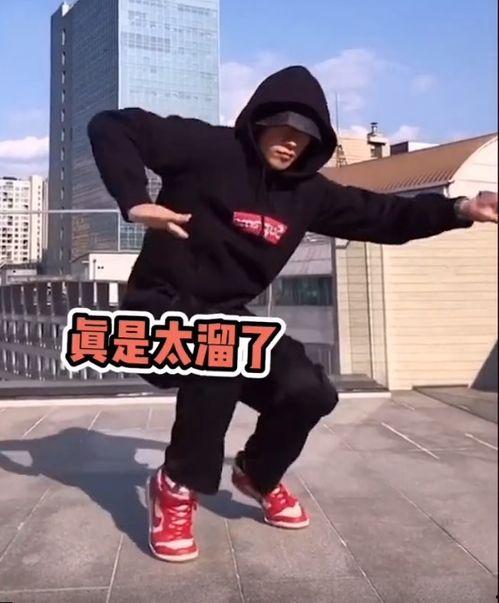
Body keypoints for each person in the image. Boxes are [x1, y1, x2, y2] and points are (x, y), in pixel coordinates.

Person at [87, 65, 498, 563]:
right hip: (158, 310)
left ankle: (258, 473)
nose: (291, 144)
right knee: (221, 354)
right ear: (259, 122)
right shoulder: (207, 148)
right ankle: (175, 485)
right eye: (282, 130)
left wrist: (458, 210)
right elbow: (111, 125)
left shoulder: (309, 193)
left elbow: (386, 215)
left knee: (310, 391)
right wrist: (134, 201)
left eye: (304, 138)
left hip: (228, 316)